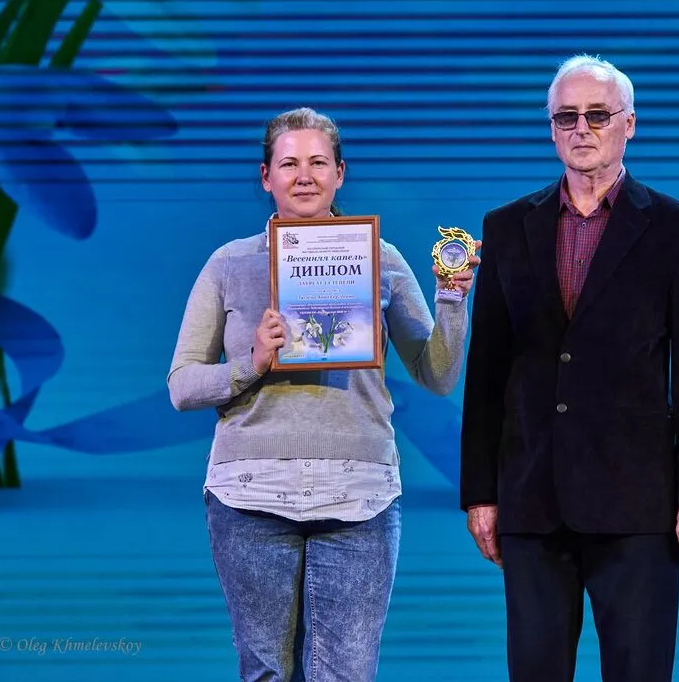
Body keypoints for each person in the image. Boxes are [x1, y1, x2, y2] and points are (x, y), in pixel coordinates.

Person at [167, 107, 479, 682]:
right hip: (250, 494)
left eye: (318, 162)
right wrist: (252, 364)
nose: (304, 176)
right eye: (289, 164)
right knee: (266, 673)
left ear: (340, 173)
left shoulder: (381, 259)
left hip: (358, 495)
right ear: (266, 176)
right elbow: (182, 385)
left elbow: (436, 374)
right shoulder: (228, 264)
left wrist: (453, 299)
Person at [459, 54, 679, 682]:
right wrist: (480, 493)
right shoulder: (506, 228)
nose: (582, 128)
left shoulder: (678, 230)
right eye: (567, 116)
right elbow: (487, 372)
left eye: (598, 115)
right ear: (551, 128)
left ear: (629, 124)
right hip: (532, 500)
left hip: (639, 505)